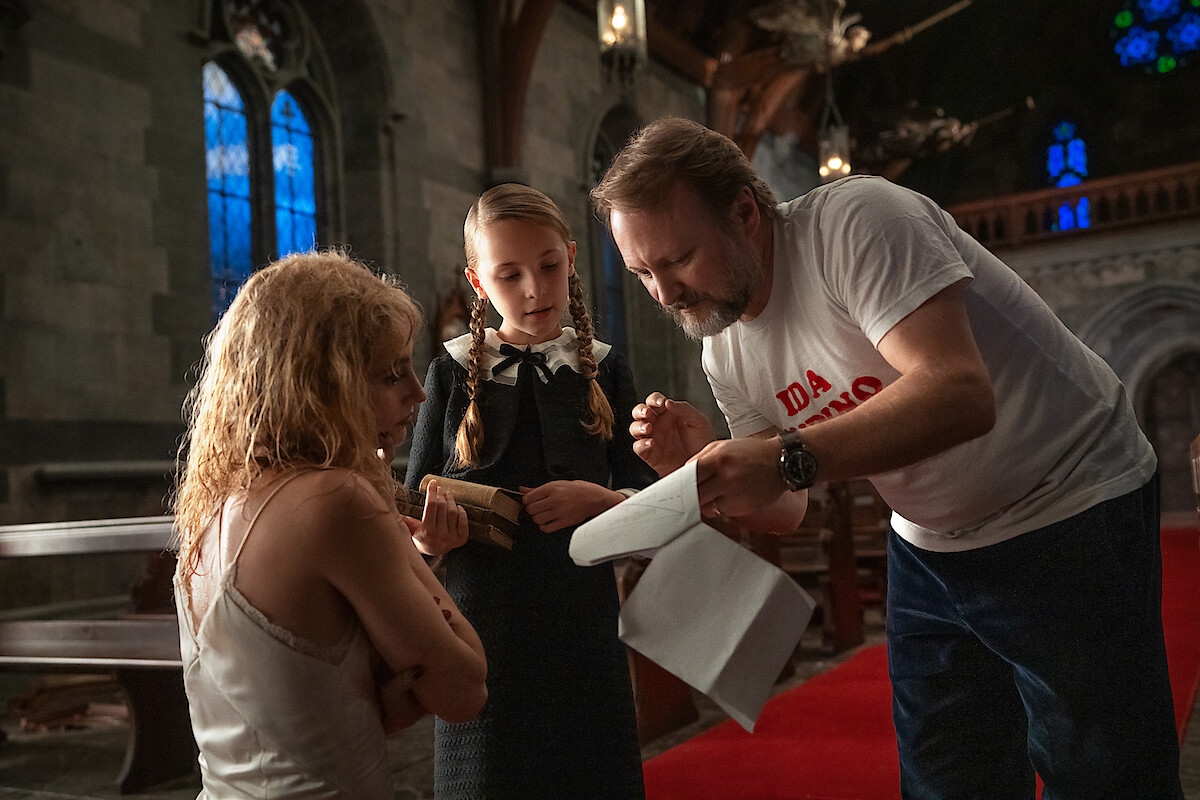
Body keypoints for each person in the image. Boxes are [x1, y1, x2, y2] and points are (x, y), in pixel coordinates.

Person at [591, 117, 1183, 799]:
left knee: (1103, 773)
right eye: (641, 273)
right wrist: (704, 465)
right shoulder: (724, 348)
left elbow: (959, 392)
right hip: (929, 545)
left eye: (678, 259)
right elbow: (788, 508)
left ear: (745, 212)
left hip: (1066, 497)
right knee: (946, 780)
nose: (664, 293)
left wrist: (783, 456)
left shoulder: (858, 222)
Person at [172, 250, 488, 799]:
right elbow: (465, 688)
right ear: (318, 385)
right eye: (391, 374)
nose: (417, 393)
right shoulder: (336, 500)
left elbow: (319, 709)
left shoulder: (215, 503)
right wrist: (411, 550)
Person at [405, 183, 657, 799]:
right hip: (480, 621)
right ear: (478, 282)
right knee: (490, 778)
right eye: (509, 274)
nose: (534, 289)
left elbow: (652, 497)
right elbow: (409, 507)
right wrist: (428, 538)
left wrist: (601, 501)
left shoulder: (602, 367)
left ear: (571, 257)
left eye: (547, 266)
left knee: (588, 774)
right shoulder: (449, 372)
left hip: (579, 619)